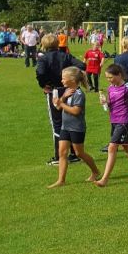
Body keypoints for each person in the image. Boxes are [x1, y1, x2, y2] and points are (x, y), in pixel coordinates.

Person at [94, 64, 128, 187]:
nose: (109, 80)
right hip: (114, 121)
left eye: (110, 77)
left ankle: (104, 179)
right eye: (107, 78)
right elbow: (111, 105)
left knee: (112, 147)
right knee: (127, 146)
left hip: (124, 121)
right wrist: (105, 102)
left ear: (119, 75)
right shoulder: (110, 88)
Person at [36, 34, 86, 166]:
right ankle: (74, 153)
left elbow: (40, 73)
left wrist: (44, 84)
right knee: (70, 121)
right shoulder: (66, 56)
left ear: (44, 45)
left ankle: (59, 156)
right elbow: (82, 65)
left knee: (57, 124)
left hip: (55, 91)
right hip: (70, 89)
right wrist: (75, 79)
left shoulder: (43, 58)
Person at [47, 67, 101, 188]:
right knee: (62, 153)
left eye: (63, 78)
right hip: (65, 127)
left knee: (79, 153)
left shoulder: (79, 94)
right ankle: (61, 180)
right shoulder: (67, 91)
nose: (61, 81)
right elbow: (57, 108)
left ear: (72, 79)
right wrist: (62, 99)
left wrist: (61, 103)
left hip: (77, 128)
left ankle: (96, 171)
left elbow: (76, 111)